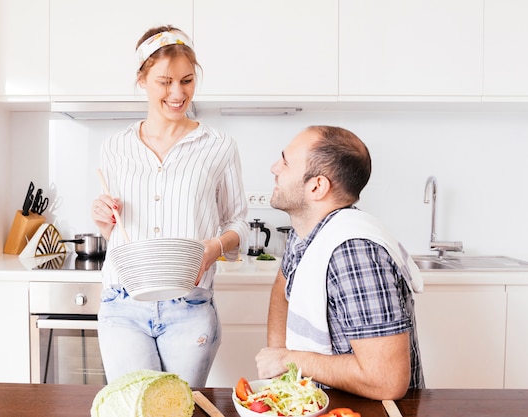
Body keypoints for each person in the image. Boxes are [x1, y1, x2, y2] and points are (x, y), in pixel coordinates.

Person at [91, 25, 248, 388]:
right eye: (164, 81)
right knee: (132, 408)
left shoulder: (219, 146)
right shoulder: (115, 147)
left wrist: (213, 249)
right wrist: (103, 218)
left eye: (187, 80)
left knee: (180, 408)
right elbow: (115, 229)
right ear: (142, 80)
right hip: (123, 303)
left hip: (189, 307)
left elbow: (239, 224)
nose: (178, 93)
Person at [255, 126, 425, 400]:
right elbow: (281, 289)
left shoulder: (353, 253)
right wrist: (281, 371)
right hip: (318, 404)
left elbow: (386, 380)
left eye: (285, 162)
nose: (274, 168)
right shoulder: (307, 232)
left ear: (317, 186)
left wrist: (289, 360)